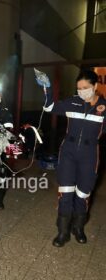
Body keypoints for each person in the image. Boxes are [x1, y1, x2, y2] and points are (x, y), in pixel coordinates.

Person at [37, 69, 106, 247]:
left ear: (95, 86)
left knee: (83, 194)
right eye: (79, 88)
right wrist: (47, 89)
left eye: (85, 87)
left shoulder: (104, 108)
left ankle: (78, 228)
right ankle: (63, 232)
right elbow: (49, 107)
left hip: (90, 154)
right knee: (65, 193)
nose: (82, 91)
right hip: (68, 152)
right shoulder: (72, 102)